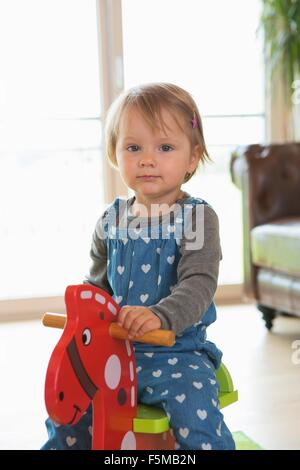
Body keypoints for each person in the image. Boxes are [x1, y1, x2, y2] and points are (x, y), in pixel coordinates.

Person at [41, 82, 235, 450]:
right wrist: (84, 320)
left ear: (192, 158)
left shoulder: (196, 218)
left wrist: (160, 316)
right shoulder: (110, 219)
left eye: (165, 147)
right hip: (114, 351)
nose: (148, 159)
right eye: (133, 147)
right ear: (115, 155)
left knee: (195, 411)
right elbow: (97, 285)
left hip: (175, 352)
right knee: (67, 402)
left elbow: (198, 283)